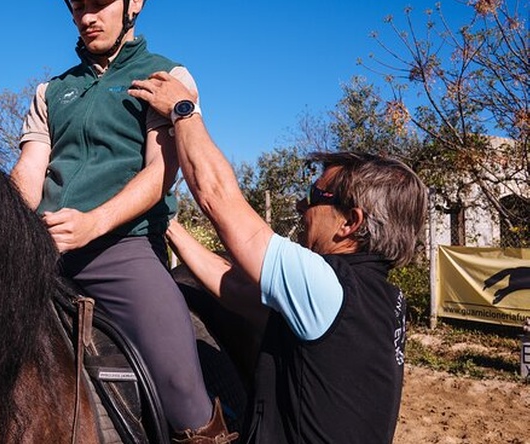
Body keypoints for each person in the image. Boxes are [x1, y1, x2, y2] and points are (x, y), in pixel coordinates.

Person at [9, 0, 237, 443]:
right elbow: (29, 171)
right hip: (44, 246)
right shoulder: (52, 90)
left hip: (124, 249)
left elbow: (160, 175)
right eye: (77, 5)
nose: (86, 16)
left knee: (181, 383)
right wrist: (9, 225)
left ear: (135, 1)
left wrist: (91, 224)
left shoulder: (166, 76)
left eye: (99, 3)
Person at [127, 73, 428, 443]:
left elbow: (217, 197)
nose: (302, 207)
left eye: (315, 198)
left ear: (351, 222)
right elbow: (238, 288)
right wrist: (168, 224)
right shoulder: (379, 299)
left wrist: (184, 110)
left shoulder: (330, 287)